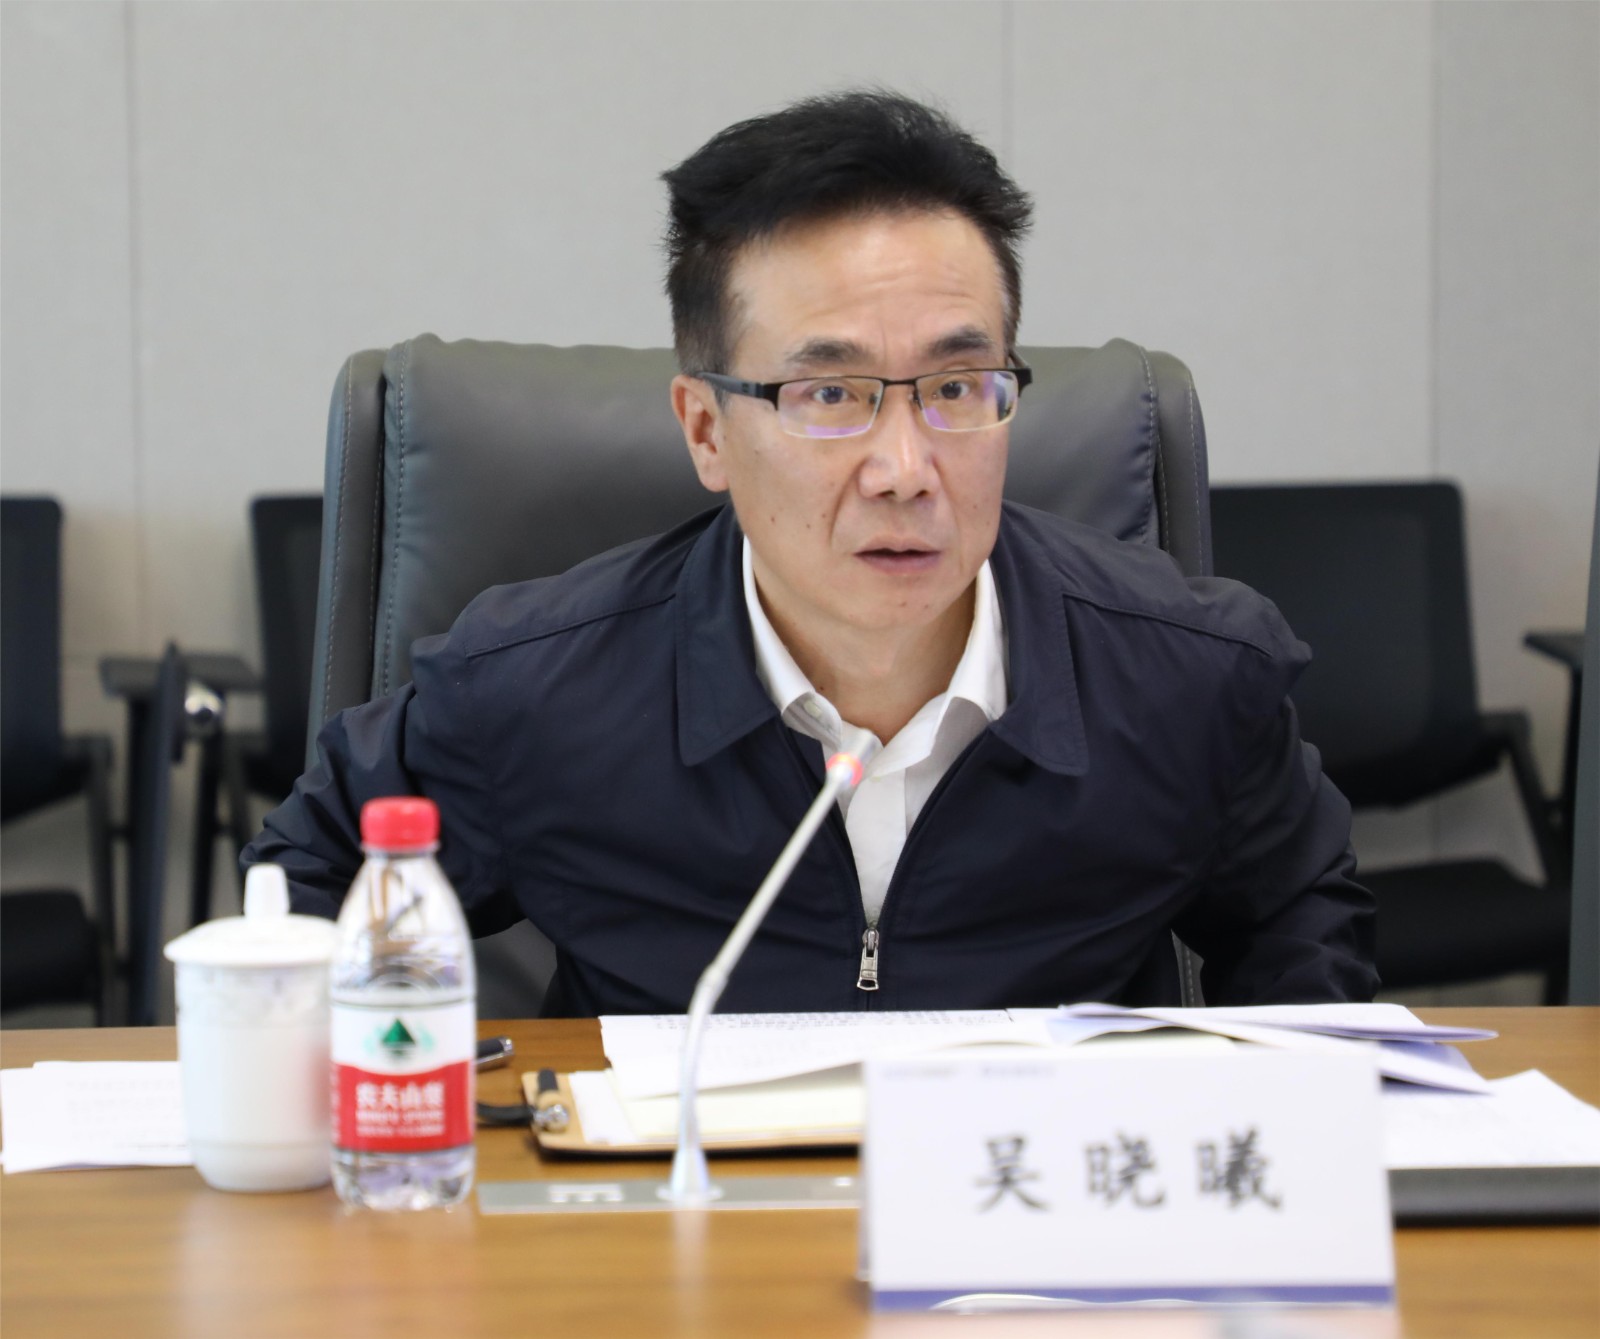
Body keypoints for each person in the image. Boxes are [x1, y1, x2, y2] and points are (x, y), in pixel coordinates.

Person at [246, 91, 1376, 1015]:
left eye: (956, 388)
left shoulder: (1188, 677)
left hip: (1029, 1217)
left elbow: (1305, 939)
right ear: (706, 430)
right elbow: (301, 890)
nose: (905, 468)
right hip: (670, 1211)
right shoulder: (533, 691)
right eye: (829, 394)